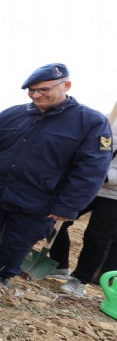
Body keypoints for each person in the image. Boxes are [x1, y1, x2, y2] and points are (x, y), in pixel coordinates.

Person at [0, 63, 113, 288]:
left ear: (66, 85)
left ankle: (1, 275)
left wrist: (68, 206)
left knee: (19, 239)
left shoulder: (90, 122)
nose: (36, 95)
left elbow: (91, 170)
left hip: (40, 197)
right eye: (31, 91)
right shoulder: (11, 115)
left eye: (43, 90)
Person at [46, 118, 117, 296]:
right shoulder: (108, 119)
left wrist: (104, 175)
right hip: (86, 186)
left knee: (97, 238)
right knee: (55, 219)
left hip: (113, 196)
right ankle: (59, 264)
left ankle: (79, 280)